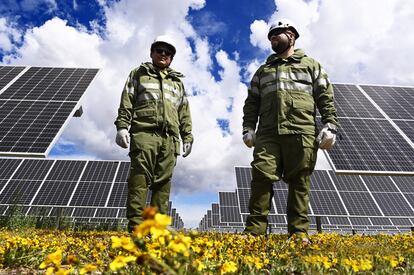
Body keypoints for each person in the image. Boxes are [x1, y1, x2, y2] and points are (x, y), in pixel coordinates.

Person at [242, 19, 338, 241]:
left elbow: (325, 97)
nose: (273, 37)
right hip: (268, 133)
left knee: (299, 180)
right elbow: (252, 103)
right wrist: (248, 127)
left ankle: (298, 233)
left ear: (292, 36)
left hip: (301, 131)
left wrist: (330, 124)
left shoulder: (311, 65)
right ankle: (254, 232)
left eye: (277, 33)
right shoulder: (263, 71)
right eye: (271, 35)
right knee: (261, 178)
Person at [114, 35, 193, 232]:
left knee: (163, 184)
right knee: (139, 180)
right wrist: (122, 126)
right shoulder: (138, 74)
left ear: (172, 57)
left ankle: (157, 230)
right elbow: (127, 100)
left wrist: (188, 136)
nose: (164, 54)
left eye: (168, 52)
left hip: (170, 139)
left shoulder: (177, 83)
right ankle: (136, 228)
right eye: (160, 50)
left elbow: (184, 111)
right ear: (152, 52)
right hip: (144, 134)